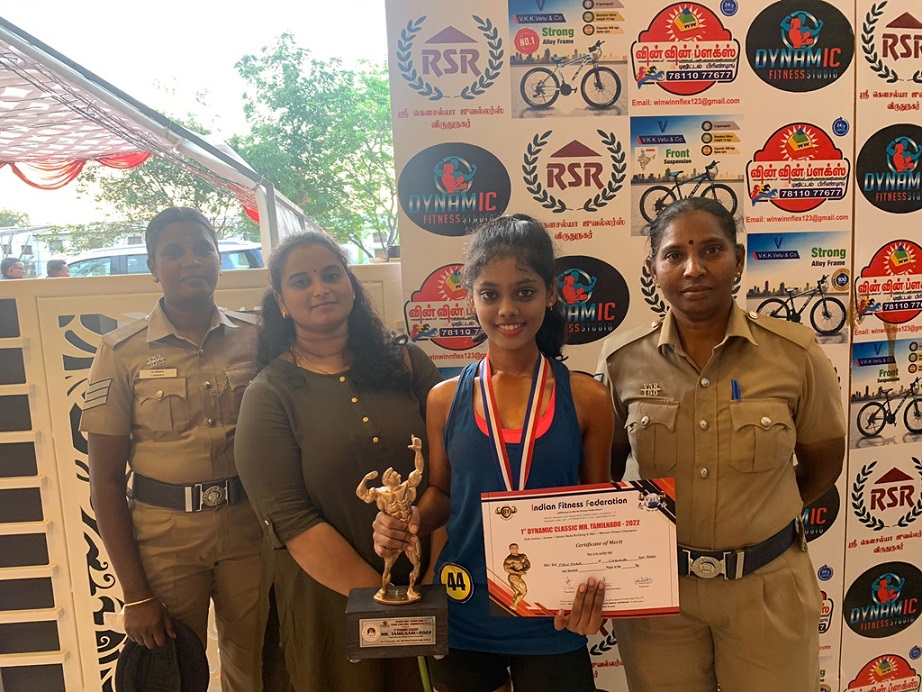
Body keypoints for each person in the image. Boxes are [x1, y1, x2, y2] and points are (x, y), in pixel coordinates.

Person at [596, 196, 845, 692]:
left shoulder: (794, 354)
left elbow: (823, 463)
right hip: (659, 596)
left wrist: (759, 513)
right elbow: (605, 471)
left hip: (767, 589)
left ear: (739, 259)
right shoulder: (621, 360)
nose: (694, 269)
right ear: (653, 269)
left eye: (711, 250)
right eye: (674, 255)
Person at [373, 214, 613, 692]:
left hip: (553, 616)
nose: (507, 309)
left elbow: (598, 510)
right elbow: (443, 493)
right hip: (465, 608)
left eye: (524, 292)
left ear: (550, 293)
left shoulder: (587, 399)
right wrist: (409, 521)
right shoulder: (444, 399)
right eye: (490, 294)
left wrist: (596, 594)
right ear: (471, 298)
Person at [234, 231, 442, 692]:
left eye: (331, 275)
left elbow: (449, 476)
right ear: (281, 302)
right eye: (301, 281)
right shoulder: (268, 394)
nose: (320, 289)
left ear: (350, 284)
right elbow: (291, 519)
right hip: (330, 599)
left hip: (429, 581)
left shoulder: (408, 364)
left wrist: (424, 586)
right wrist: (382, 602)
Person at [80, 207, 264, 691]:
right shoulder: (121, 352)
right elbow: (104, 482)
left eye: (203, 248)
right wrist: (135, 594)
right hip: (165, 539)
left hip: (249, 529)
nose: (191, 260)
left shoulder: (256, 338)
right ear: (153, 267)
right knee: (171, 675)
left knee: (259, 668)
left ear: (219, 258)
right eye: (174, 252)